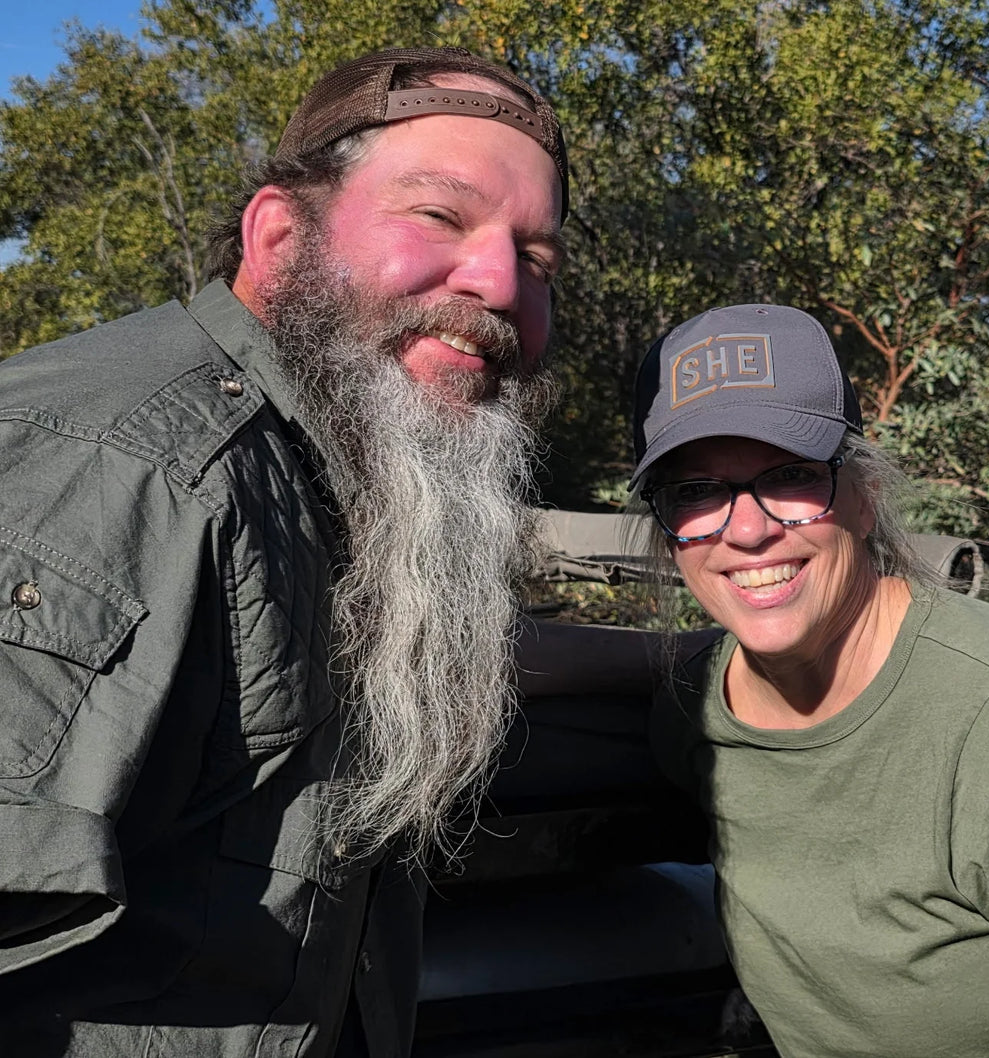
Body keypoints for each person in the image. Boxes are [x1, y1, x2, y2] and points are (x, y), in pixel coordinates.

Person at [0, 45, 568, 1057]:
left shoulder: (333, 458)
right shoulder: (127, 468)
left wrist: (681, 661)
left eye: (537, 259)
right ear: (277, 233)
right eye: (439, 216)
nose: (494, 280)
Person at [630, 303, 989, 1057]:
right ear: (668, 535)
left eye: (792, 474)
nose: (746, 528)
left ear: (863, 496)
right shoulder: (698, 706)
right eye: (695, 491)